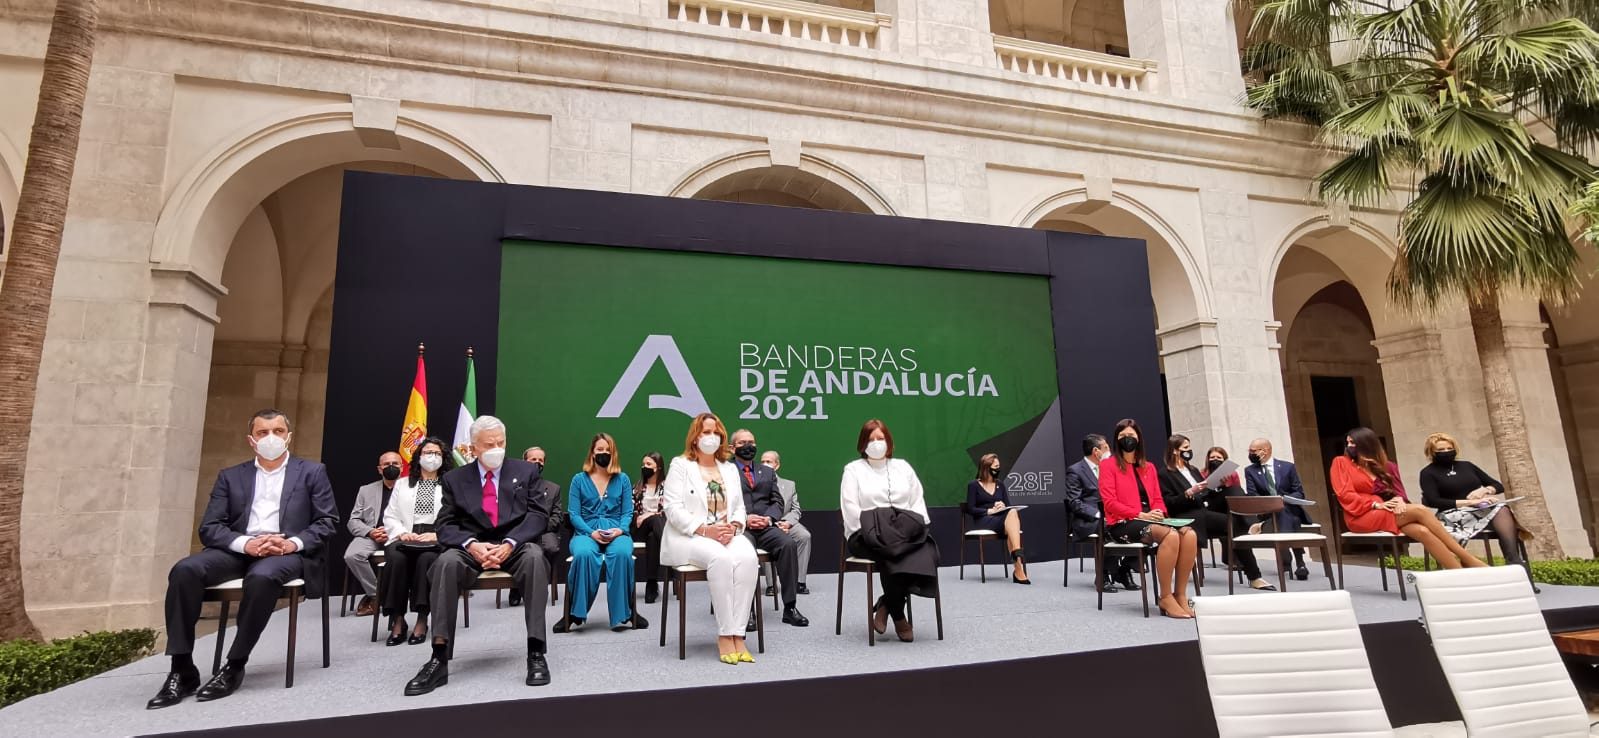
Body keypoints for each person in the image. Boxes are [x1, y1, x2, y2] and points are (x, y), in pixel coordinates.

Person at [147, 409, 337, 709]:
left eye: (277, 431)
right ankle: (182, 667)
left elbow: (327, 522)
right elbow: (210, 527)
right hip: (238, 550)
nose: (270, 438)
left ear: (289, 437)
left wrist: (291, 544)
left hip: (285, 552)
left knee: (261, 578)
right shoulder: (231, 476)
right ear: (252, 440)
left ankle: (235, 664)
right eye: (263, 433)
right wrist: (246, 544)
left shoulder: (312, 472)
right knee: (185, 570)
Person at [404, 416, 554, 696]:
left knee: (535, 557)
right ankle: (438, 656)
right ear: (473, 448)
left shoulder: (525, 472)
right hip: (473, 547)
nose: (497, 448)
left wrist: (510, 543)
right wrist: (471, 544)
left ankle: (536, 651)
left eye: (501, 442)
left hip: (515, 545)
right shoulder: (454, 479)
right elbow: (445, 524)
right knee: (445, 563)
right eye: (489, 444)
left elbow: (537, 515)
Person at [661, 412, 760, 664]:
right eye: (706, 432)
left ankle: (739, 633)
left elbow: (739, 507)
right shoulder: (680, 465)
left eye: (716, 433)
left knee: (749, 558)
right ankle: (725, 634)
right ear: (695, 437)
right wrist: (706, 530)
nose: (712, 437)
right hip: (691, 536)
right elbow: (672, 509)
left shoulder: (728, 468)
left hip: (726, 532)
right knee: (721, 560)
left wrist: (735, 525)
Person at [1330, 427, 1487, 569]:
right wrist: (1375, 504)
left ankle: (1458, 572)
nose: (1349, 446)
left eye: (1353, 443)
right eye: (1348, 442)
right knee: (1420, 510)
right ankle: (1468, 559)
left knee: (1422, 531)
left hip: (1391, 512)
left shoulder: (1387, 466)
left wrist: (1399, 501)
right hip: (1361, 515)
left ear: (1367, 444)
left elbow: (1400, 493)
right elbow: (1345, 494)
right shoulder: (1341, 463)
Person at [840, 418, 939, 642]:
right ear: (863, 443)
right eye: (871, 439)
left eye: (881, 438)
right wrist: (877, 530)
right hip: (866, 536)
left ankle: (886, 602)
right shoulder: (853, 470)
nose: (876, 443)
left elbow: (917, 503)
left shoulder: (903, 467)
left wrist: (907, 530)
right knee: (891, 553)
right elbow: (851, 508)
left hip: (905, 534)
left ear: (889, 441)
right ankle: (899, 615)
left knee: (924, 551)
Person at [1100, 418, 1198, 619]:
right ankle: (1165, 596)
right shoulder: (1108, 465)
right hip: (1123, 523)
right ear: (1116, 440)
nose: (1128, 439)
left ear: (1139, 438)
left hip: (1152, 519)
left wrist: (1160, 512)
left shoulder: (1149, 467)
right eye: (1123, 436)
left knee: (1189, 535)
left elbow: (1157, 499)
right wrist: (1140, 514)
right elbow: (1109, 502)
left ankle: (1180, 594)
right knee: (1170, 536)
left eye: (1131, 436)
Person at [558, 433, 647, 633]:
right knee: (583, 554)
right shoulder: (578, 480)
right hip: (586, 532)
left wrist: (620, 530)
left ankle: (625, 612)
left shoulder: (622, 479)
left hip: (617, 531)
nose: (604, 454)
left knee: (623, 554)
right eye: (600, 450)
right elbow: (574, 514)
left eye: (608, 451)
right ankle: (574, 612)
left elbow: (627, 512)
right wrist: (591, 533)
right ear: (592, 453)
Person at [731, 429, 808, 628]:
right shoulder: (725, 471)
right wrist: (745, 519)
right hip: (740, 527)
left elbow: (778, 502)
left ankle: (790, 607)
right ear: (732, 448)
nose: (748, 446)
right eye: (742, 443)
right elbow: (722, 503)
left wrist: (768, 518)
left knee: (788, 544)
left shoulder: (766, 472)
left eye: (751, 441)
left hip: (765, 527)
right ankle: (746, 611)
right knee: (743, 553)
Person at [380, 437, 453, 646]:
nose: (432, 457)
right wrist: (402, 532)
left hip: (435, 537)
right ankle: (398, 619)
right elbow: (390, 515)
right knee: (396, 559)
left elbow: (457, 516)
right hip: (405, 536)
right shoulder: (402, 484)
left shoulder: (450, 485)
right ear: (419, 457)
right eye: (428, 452)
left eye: (437, 453)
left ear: (443, 458)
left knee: (426, 560)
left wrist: (438, 534)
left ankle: (422, 619)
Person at [1418, 432, 1527, 568]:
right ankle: (1460, 569)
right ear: (1431, 452)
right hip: (1451, 513)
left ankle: (1514, 561)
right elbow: (1433, 501)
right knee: (1498, 511)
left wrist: (1485, 490)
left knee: (1502, 509)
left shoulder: (1467, 466)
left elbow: (1498, 486)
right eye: (1441, 450)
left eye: (1449, 448)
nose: (1446, 452)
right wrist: (1469, 502)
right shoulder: (1428, 473)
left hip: (1479, 510)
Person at [1065, 434, 1134, 592]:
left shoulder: (1112, 468)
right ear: (1096, 451)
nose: (1109, 450)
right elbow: (1075, 502)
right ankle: (1103, 574)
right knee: (1108, 526)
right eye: (1106, 447)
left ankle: (1124, 569)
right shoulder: (1075, 471)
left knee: (1138, 525)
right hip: (1089, 519)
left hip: (1114, 514)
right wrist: (1098, 514)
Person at [1202, 446, 1275, 591]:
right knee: (1236, 512)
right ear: (1207, 460)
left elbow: (1237, 497)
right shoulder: (1201, 474)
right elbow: (1200, 495)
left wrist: (1224, 484)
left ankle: (1255, 576)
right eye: (1212, 458)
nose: (1215, 460)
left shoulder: (1232, 474)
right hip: (1209, 506)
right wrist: (1214, 485)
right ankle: (1254, 525)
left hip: (1228, 510)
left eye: (1219, 458)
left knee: (1236, 493)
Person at [1244, 437, 1313, 580]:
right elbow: (1253, 495)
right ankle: (1300, 562)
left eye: (1253, 451)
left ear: (1265, 451)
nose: (1250, 454)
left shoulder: (1287, 467)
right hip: (1268, 513)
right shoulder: (1250, 471)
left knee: (1284, 511)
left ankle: (1285, 557)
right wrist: (1272, 502)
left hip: (1289, 508)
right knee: (1285, 515)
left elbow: (1299, 491)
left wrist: (1283, 500)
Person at [345, 451, 404, 616]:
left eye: (395, 463)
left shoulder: (411, 488)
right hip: (372, 535)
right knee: (352, 555)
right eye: (386, 464)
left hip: (399, 536)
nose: (391, 467)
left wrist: (395, 531)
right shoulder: (366, 490)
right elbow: (353, 520)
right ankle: (377, 595)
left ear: (402, 466)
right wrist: (370, 532)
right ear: (379, 469)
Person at [508, 447, 562, 609]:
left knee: (551, 547)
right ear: (524, 462)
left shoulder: (553, 488)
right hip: (518, 532)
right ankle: (516, 587)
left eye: (541, 461)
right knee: (515, 546)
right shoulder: (511, 487)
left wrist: (537, 527)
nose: (537, 463)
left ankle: (539, 585)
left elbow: (557, 517)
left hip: (544, 532)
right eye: (533, 460)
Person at [965, 453, 1029, 584]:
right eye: (995, 467)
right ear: (986, 468)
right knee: (1012, 526)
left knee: (1012, 512)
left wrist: (1002, 506)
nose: (998, 470)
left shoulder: (1001, 484)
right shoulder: (973, 486)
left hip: (1000, 519)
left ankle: (1016, 556)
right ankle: (1018, 564)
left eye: (999, 467)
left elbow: (1008, 505)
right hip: (983, 520)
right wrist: (989, 511)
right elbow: (971, 509)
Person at [761, 450, 811, 595]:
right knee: (767, 538)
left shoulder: (789, 485)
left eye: (769, 462)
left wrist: (787, 523)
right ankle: (771, 585)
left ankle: (799, 582)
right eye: (763, 462)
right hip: (767, 523)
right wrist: (772, 523)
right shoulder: (755, 485)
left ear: (777, 465)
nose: (765, 464)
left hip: (787, 522)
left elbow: (796, 510)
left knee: (804, 536)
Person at [633, 451, 668, 604]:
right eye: (643, 464)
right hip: (639, 529)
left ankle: (651, 584)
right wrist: (643, 516)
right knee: (654, 521)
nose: (644, 467)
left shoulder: (667, 487)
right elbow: (632, 512)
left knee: (653, 537)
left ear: (658, 467)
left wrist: (648, 514)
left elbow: (668, 510)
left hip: (656, 528)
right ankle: (670, 548)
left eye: (648, 464)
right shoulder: (638, 487)